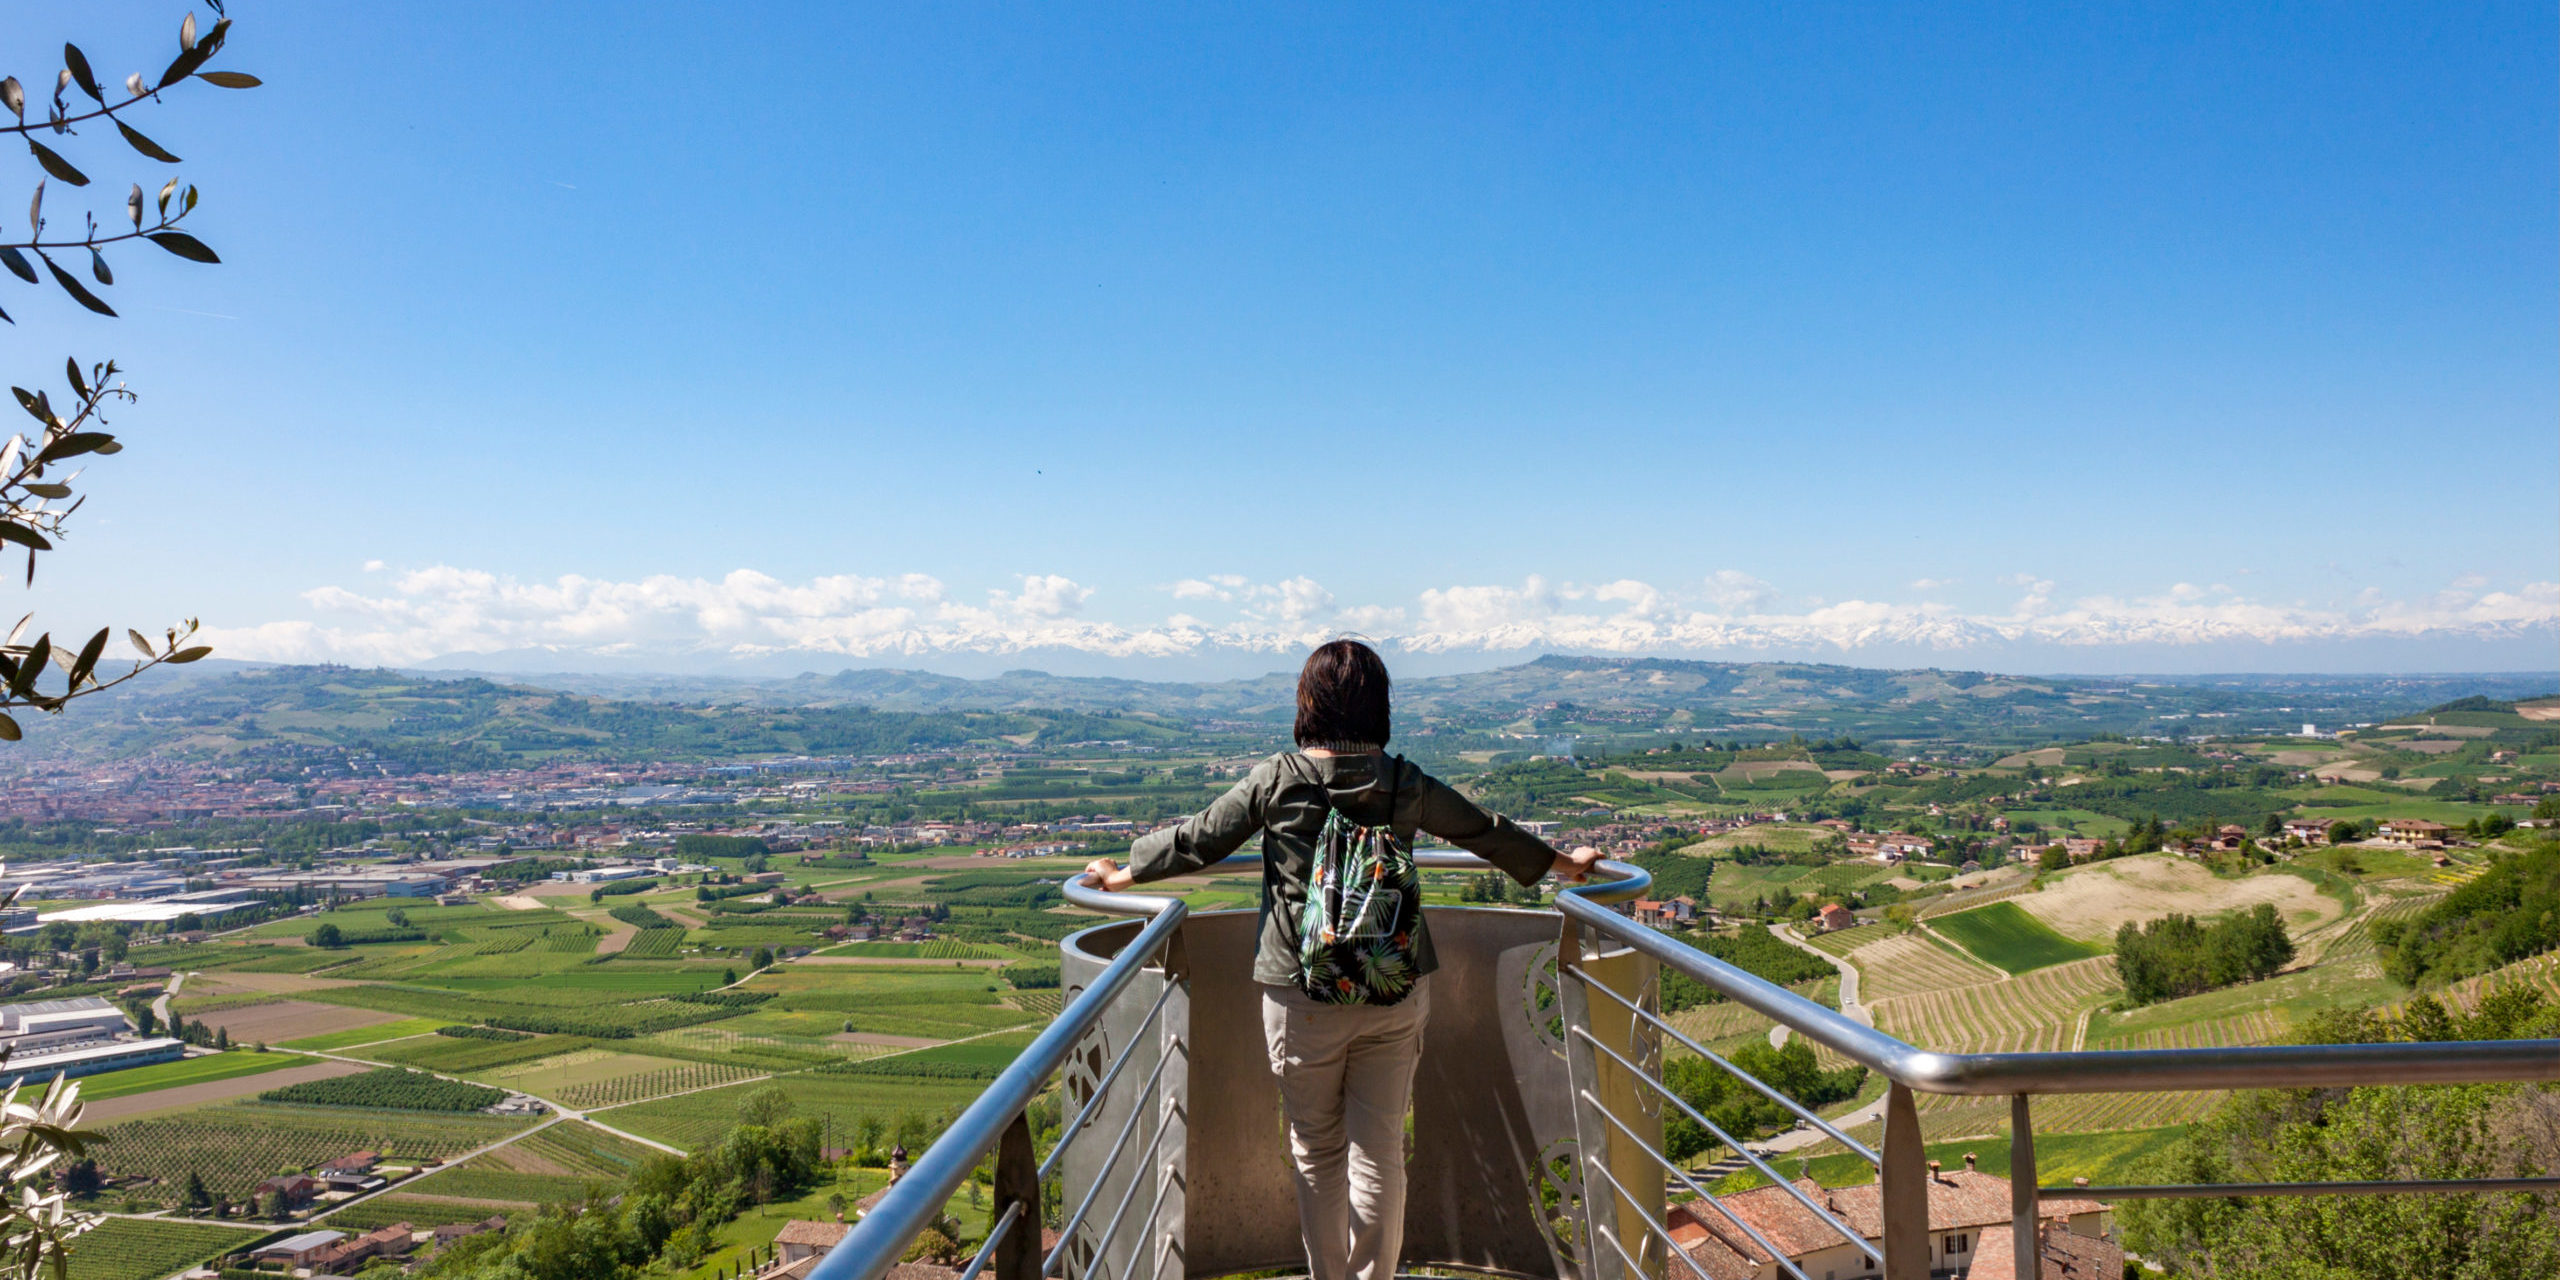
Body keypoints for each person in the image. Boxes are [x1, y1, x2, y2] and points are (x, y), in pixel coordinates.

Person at [1081, 639, 1598, 1280]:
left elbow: (1198, 841)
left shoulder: (1279, 778)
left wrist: (1122, 873)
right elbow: (1481, 829)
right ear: (1379, 706)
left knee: (1316, 1151)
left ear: (1309, 704)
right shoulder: (1404, 782)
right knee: (1379, 1153)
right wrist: (1564, 864)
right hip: (1395, 984)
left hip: (1301, 994)